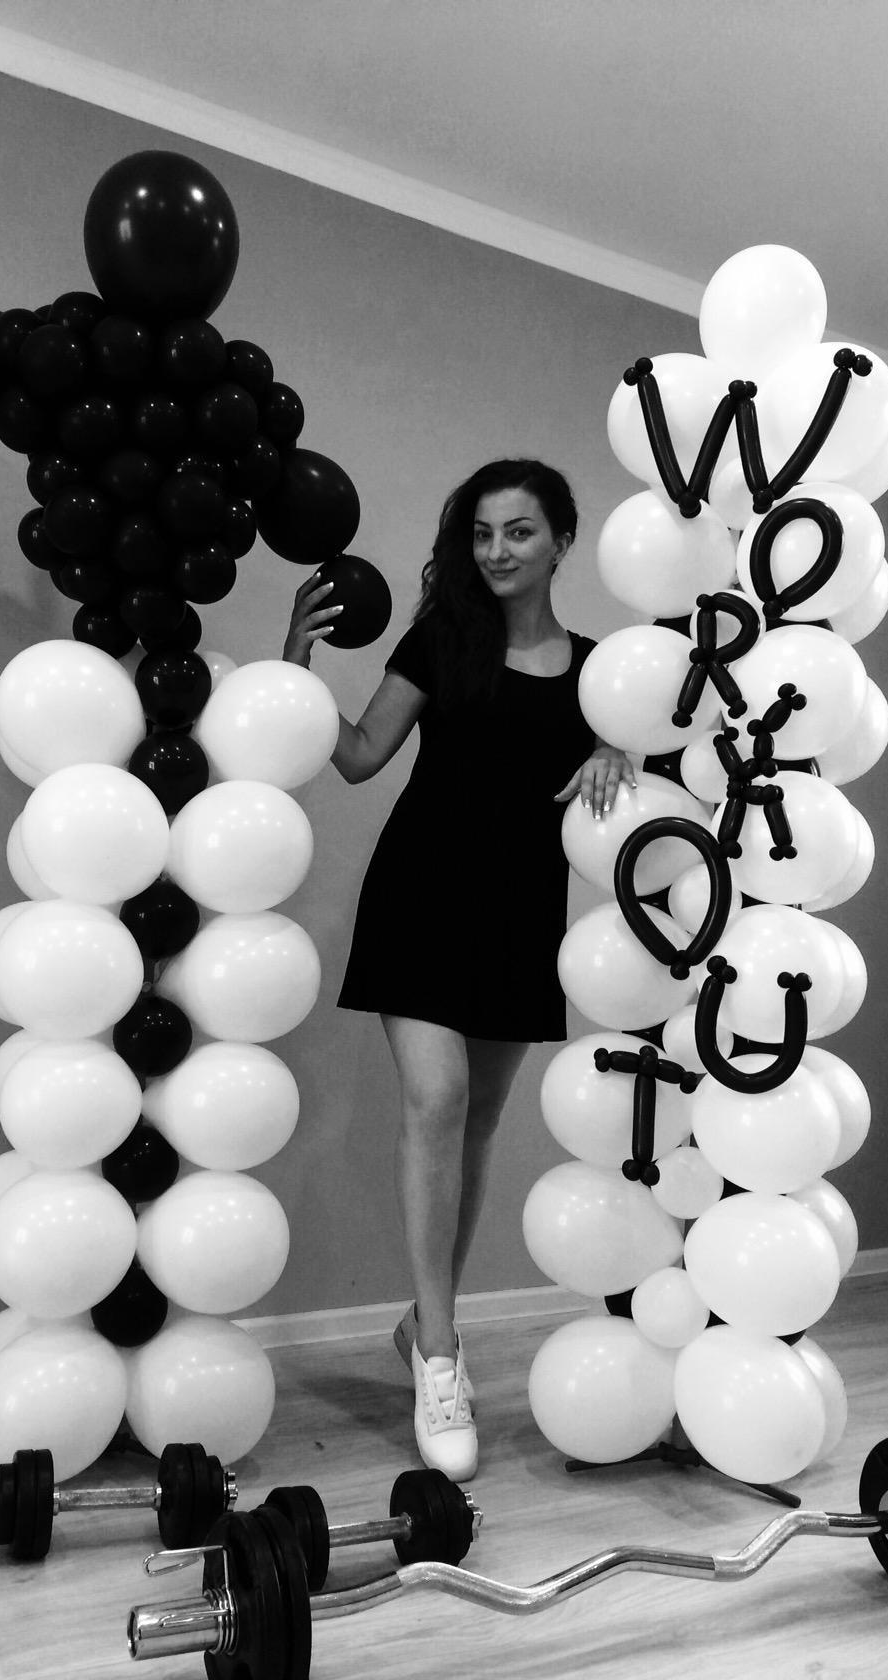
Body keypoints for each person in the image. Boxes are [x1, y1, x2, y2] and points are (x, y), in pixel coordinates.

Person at [282, 458, 634, 1481]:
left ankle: (418, 1321)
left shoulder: (604, 674)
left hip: (520, 917)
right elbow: (358, 754)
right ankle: (440, 1354)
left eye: (518, 531)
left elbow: (636, 782)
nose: (496, 551)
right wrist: (296, 666)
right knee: (435, 1102)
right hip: (421, 896)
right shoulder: (441, 640)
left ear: (561, 541)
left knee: (473, 1128)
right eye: (481, 533)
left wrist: (620, 755)